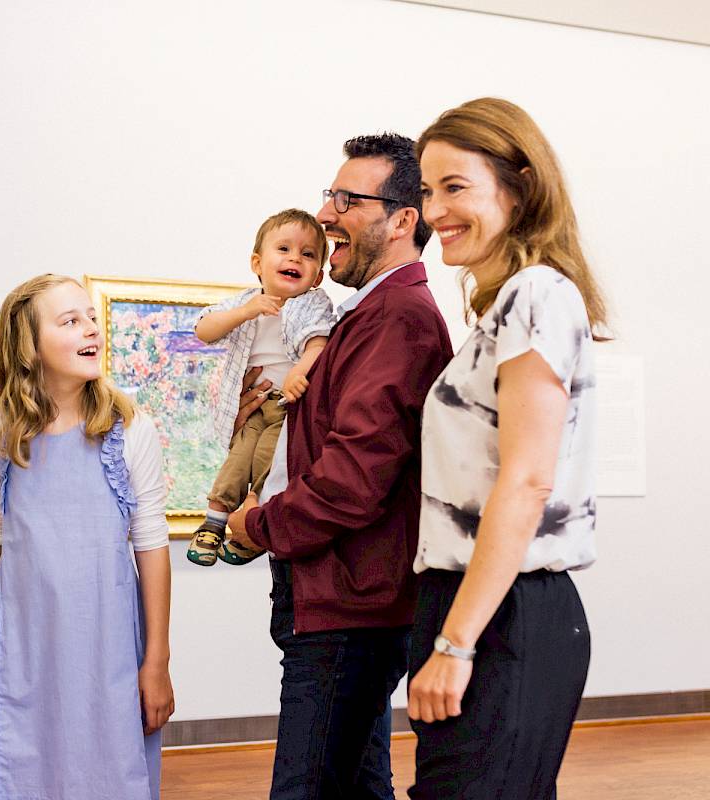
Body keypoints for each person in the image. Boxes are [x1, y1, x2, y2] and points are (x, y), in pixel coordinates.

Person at [227, 133, 453, 800]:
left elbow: (352, 479)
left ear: (403, 219)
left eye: (346, 200)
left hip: (348, 609)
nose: (324, 216)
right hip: (343, 600)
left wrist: (257, 525)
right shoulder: (368, 316)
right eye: (330, 196)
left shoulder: (398, 319)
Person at [408, 97, 608, 799]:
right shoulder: (508, 305)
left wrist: (456, 643)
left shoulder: (538, 294)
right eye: (428, 191)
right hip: (480, 604)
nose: (434, 210)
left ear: (520, 185)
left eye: (455, 187)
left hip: (504, 612)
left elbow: (526, 482)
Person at [0, 274, 175, 800]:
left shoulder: (129, 428)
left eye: (90, 317)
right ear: (29, 346)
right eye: (70, 320)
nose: (90, 328)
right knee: (24, 773)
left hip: (108, 648)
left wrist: (157, 661)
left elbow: (153, 550)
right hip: (25, 649)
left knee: (109, 775)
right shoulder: (0, 434)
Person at [187, 209, 336, 567]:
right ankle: (214, 522)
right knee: (238, 460)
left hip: (288, 407)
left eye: (308, 254)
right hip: (253, 408)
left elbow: (319, 344)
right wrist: (247, 311)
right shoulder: (246, 301)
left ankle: (254, 526)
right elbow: (204, 329)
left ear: (317, 275)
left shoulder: (314, 303)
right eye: (283, 248)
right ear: (258, 263)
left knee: (268, 461)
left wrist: (300, 371)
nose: (294, 258)